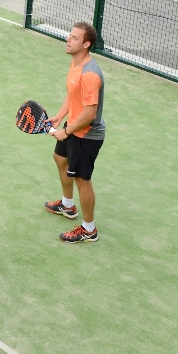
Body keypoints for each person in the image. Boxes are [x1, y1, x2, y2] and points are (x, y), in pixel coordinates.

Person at [43, 22, 106, 243]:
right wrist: (60, 116)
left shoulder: (90, 75)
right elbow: (72, 95)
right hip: (73, 125)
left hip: (87, 134)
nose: (68, 40)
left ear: (86, 44)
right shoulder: (76, 65)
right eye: (69, 36)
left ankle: (89, 229)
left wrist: (65, 131)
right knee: (60, 159)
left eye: (75, 38)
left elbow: (89, 114)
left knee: (82, 179)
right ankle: (68, 206)